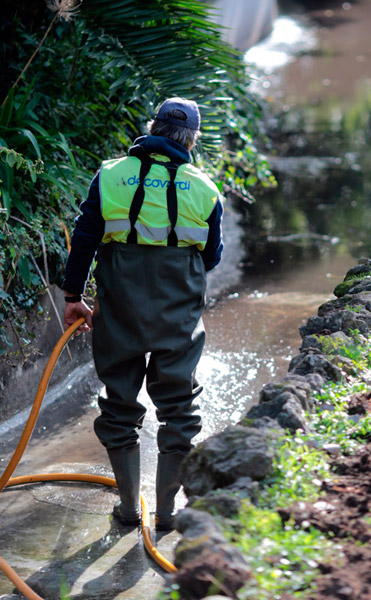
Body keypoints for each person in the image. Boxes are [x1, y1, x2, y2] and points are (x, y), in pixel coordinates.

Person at [61, 97, 224, 531]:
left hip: (120, 308)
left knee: (119, 404)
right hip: (178, 311)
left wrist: (73, 295)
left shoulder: (111, 174)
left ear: (151, 127)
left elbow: (85, 237)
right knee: (179, 409)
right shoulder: (205, 188)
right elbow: (211, 256)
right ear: (193, 138)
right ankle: (167, 513)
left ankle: (129, 509)